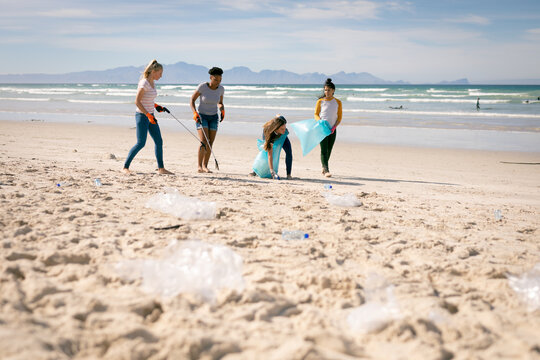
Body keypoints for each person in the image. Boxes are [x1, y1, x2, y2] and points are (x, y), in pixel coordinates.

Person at [123, 59, 173, 175]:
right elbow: (137, 101)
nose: (161, 76)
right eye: (160, 73)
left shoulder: (152, 83)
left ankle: (161, 168)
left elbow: (148, 99)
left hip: (151, 115)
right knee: (141, 143)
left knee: (159, 141)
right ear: (154, 71)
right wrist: (147, 115)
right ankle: (125, 167)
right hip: (142, 116)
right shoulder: (144, 83)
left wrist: (156, 106)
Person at [190, 67, 225, 173]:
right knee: (204, 141)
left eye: (219, 80)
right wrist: (195, 113)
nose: (217, 83)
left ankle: (205, 166)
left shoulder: (221, 89)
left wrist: (222, 110)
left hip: (214, 117)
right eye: (215, 80)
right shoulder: (202, 87)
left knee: (210, 142)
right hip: (202, 116)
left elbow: (220, 102)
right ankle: (199, 166)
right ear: (211, 77)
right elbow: (192, 100)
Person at [250, 115, 293, 179]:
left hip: (282, 137)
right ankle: (256, 170)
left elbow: (279, 116)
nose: (284, 130)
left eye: (285, 128)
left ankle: (288, 174)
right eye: (282, 129)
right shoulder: (270, 135)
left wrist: (283, 130)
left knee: (289, 152)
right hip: (270, 134)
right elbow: (270, 154)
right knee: (266, 152)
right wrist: (272, 172)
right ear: (276, 128)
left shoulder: (282, 123)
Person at [314, 78, 342, 178]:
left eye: (329, 90)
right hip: (322, 129)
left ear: (333, 90)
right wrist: (320, 122)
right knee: (323, 150)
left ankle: (324, 166)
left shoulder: (338, 102)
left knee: (329, 149)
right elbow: (316, 114)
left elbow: (339, 117)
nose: (327, 92)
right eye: (325, 90)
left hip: (333, 129)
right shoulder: (320, 101)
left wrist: (334, 127)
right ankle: (326, 170)